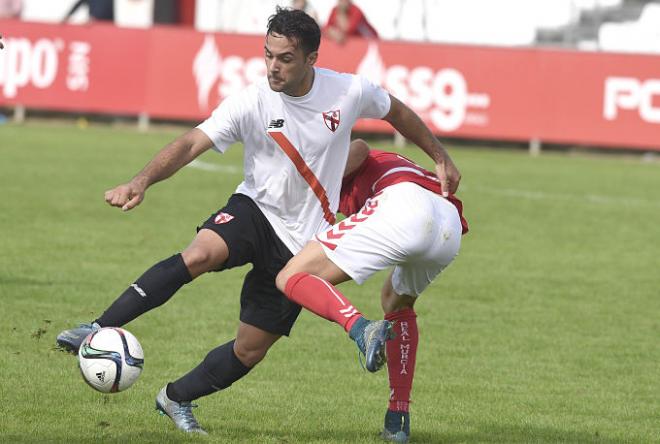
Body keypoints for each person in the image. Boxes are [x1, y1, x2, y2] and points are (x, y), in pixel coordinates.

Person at [56, 7, 461, 436]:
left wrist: (439, 156)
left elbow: (396, 112)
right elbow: (193, 141)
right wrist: (142, 181)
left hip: (304, 243)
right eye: (268, 54)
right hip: (255, 210)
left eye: (285, 58)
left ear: (311, 59)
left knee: (249, 350)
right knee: (200, 254)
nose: (273, 66)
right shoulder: (251, 100)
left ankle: (175, 398)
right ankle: (97, 327)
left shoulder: (349, 91)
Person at [275, 139, 469, 443]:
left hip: (403, 205)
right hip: (448, 225)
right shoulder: (386, 162)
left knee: (290, 277)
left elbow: (360, 148)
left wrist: (309, 179)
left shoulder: (323, 158)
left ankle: (361, 328)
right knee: (395, 301)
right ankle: (397, 418)